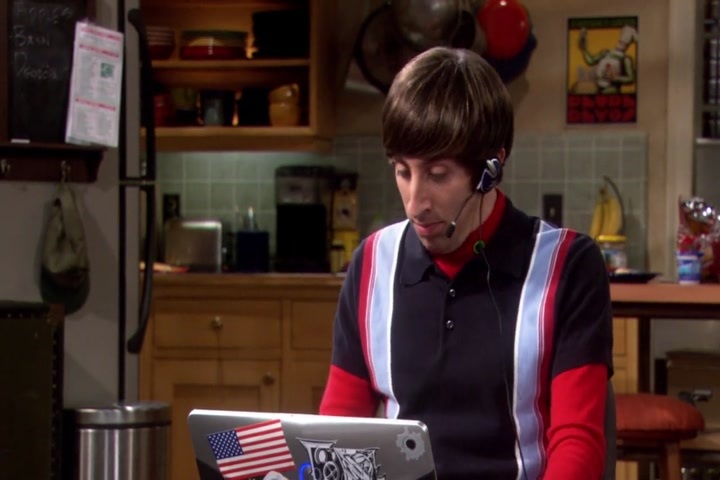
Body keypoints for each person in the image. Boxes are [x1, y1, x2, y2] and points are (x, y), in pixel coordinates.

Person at [319, 46, 614, 479]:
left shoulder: (567, 266)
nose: (415, 202)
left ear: (491, 167)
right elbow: (337, 431)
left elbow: (578, 442)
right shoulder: (370, 265)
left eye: (438, 175)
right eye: (403, 171)